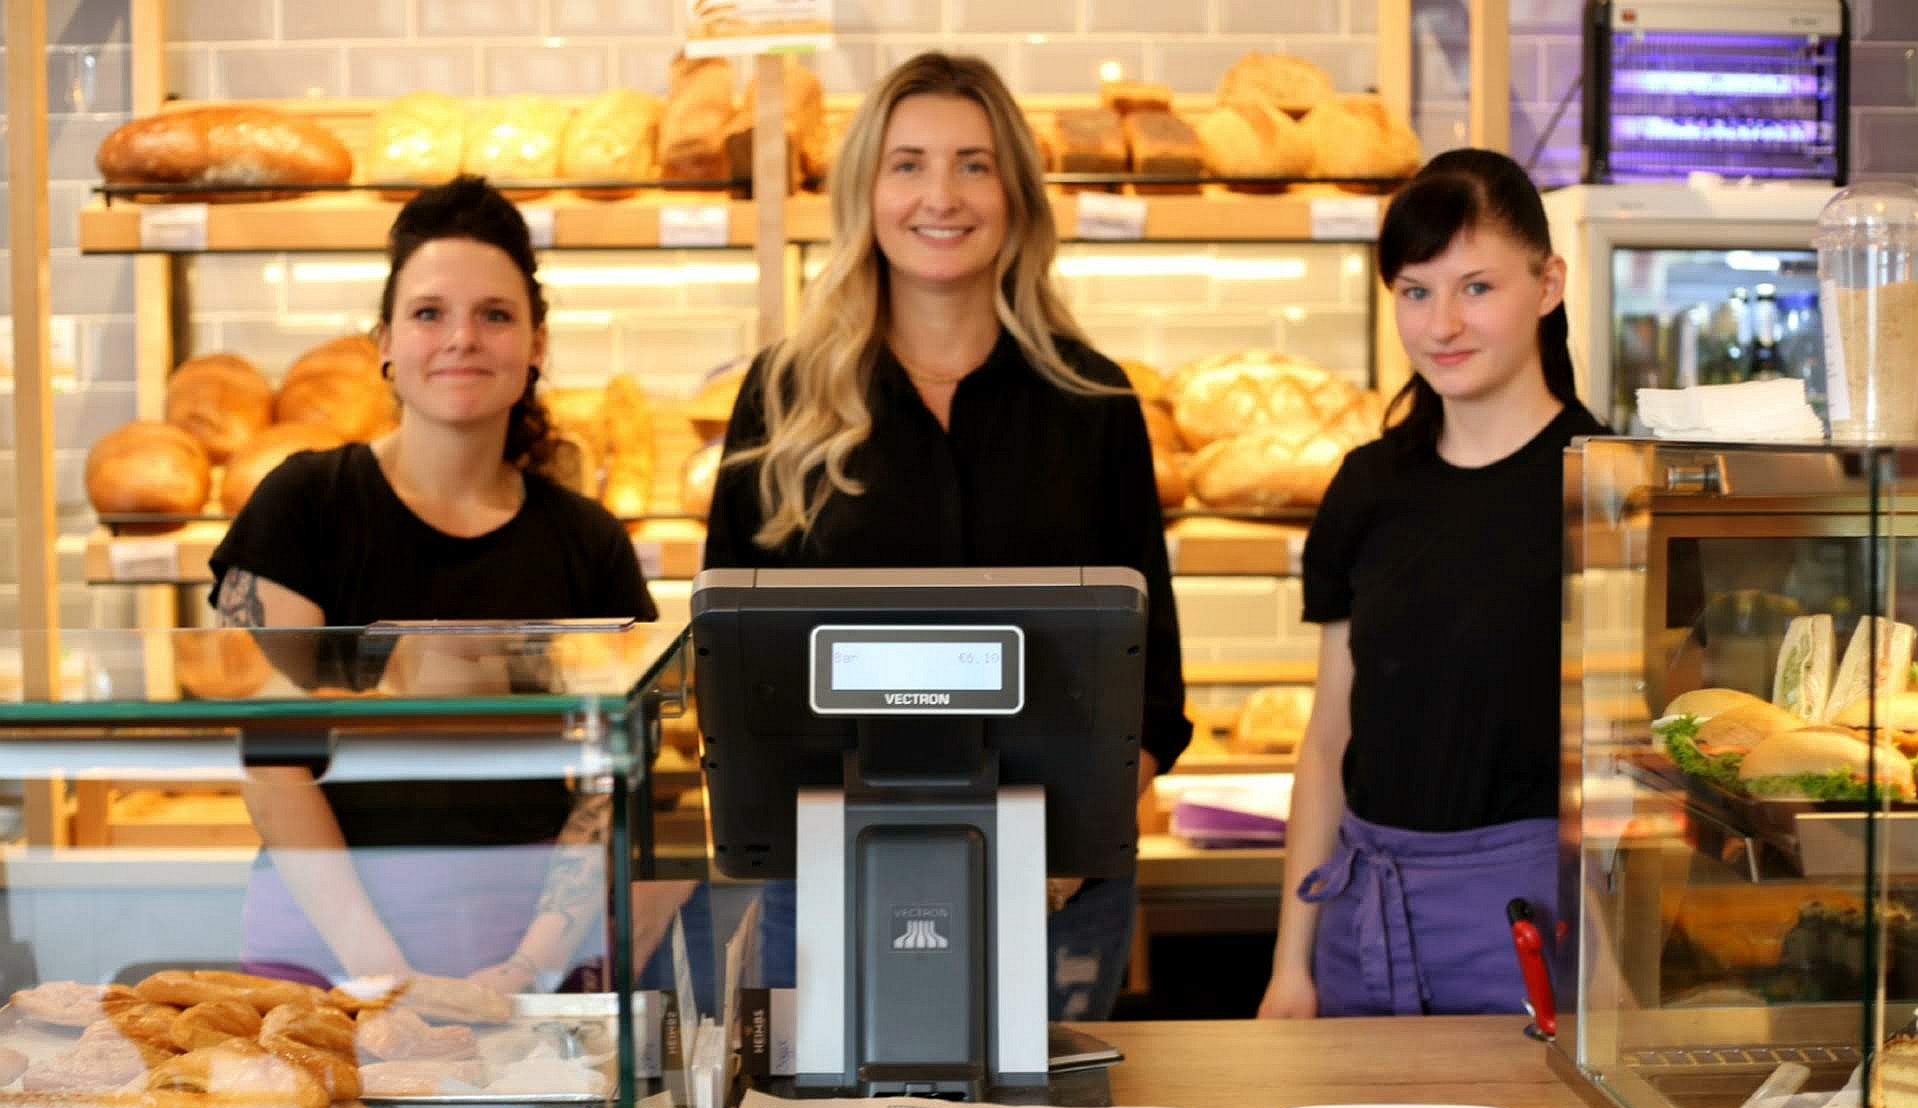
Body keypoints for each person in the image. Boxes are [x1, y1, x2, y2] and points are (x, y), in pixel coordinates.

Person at [703, 51, 1191, 1021]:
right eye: (908, 163)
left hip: (1056, 897)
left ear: (1014, 192)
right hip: (831, 885)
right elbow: (733, 676)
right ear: (865, 193)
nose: (942, 195)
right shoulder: (783, 398)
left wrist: (1053, 861)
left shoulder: (1092, 403)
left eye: (973, 163)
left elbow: (1153, 684)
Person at [208, 176, 657, 994]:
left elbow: (615, 781)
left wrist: (529, 967)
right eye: (429, 313)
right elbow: (272, 761)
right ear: (382, 340)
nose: (463, 338)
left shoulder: (587, 541)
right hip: (324, 963)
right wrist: (382, 971)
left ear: (537, 345)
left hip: (532, 967)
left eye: (495, 314)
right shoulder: (306, 505)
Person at [1257, 148, 1605, 1020]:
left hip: (1534, 929)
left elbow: (1638, 768)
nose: (1443, 323)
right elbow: (1329, 731)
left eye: (1476, 288)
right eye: (1416, 291)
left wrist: (1620, 974)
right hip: (1358, 919)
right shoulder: (1367, 487)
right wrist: (1290, 965)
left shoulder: (1603, 487)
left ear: (1549, 283)